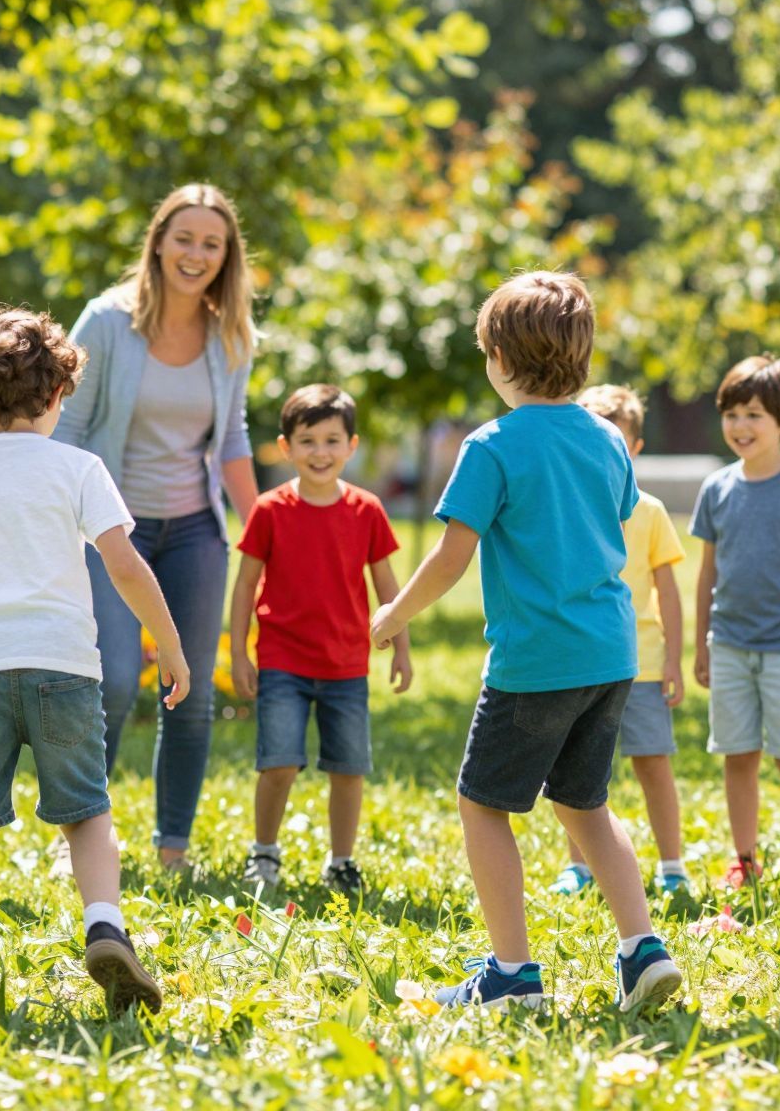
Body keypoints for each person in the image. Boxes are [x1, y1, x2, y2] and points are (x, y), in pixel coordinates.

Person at [370, 272, 684, 1013]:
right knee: (585, 804)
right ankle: (643, 952)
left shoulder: (492, 445)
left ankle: (511, 975)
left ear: (501, 359)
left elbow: (452, 555)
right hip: (610, 655)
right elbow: (612, 520)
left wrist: (395, 613)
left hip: (536, 661)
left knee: (482, 805)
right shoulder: (608, 438)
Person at [0, 306, 190, 1012]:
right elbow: (124, 566)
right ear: (60, 393)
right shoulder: (78, 468)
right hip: (62, 667)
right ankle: (105, 925)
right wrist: (170, 644)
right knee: (86, 815)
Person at [57, 183, 261, 872]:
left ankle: (173, 847)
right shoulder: (107, 323)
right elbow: (68, 428)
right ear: (158, 242)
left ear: (227, 255)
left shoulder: (230, 333)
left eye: (211, 243)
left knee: (192, 692)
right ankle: (88, 839)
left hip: (195, 533)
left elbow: (231, 440)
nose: (196, 254)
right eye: (184, 238)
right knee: (113, 682)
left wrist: (262, 527)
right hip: (112, 534)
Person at [229, 385, 409, 895]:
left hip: (347, 663)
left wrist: (403, 647)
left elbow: (388, 587)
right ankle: (264, 852)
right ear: (285, 447)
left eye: (332, 440)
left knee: (348, 767)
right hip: (283, 659)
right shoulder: (269, 510)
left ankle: (342, 861)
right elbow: (245, 584)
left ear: (352, 445)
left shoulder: (367, 510)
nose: (321, 452)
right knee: (279, 762)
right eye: (307, 441)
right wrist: (240, 651)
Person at [691, 356, 780, 892]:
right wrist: (701, 646)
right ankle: (744, 858)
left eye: (754, 414)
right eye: (731, 414)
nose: (741, 426)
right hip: (729, 645)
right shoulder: (717, 489)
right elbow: (707, 572)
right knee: (738, 756)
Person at [551, 384, 691, 902]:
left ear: (635, 447)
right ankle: (578, 866)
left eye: (614, 438)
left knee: (653, 763)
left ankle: (672, 866)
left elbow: (669, 593)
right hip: (581, 662)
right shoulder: (565, 509)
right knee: (577, 772)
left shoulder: (650, 510)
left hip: (645, 664)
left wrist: (675, 657)